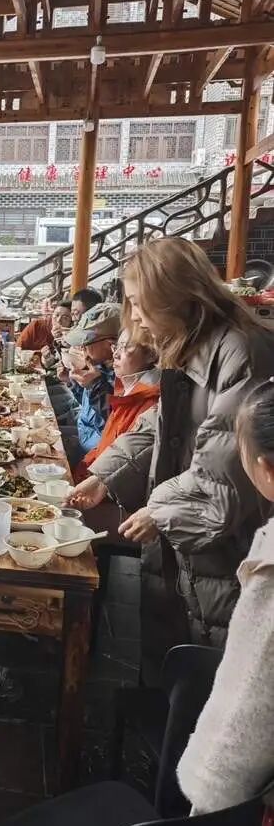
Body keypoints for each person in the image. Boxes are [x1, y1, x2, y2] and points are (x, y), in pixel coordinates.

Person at [69, 237, 274, 684]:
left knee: (211, 670)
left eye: (139, 302)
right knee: (174, 652)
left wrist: (159, 510)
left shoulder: (241, 354)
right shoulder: (192, 342)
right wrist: (106, 475)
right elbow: (159, 425)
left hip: (224, 544)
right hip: (186, 532)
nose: (136, 315)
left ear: (173, 295)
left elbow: (225, 475)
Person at [177, 383, 274, 818]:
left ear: (265, 469)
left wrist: (207, 808)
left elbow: (249, 702)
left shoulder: (271, 572)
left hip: (240, 809)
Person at [75, 328, 160, 480]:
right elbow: (105, 445)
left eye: (125, 347)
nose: (115, 354)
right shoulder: (125, 390)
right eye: (116, 347)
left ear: (151, 355)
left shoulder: (150, 404)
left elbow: (122, 471)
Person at [61, 303, 120, 464]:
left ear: (111, 344)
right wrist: (72, 382)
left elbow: (114, 423)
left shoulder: (122, 377)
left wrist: (95, 386)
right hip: (84, 437)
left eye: (87, 341)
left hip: (97, 455)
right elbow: (88, 408)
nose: (82, 347)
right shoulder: (99, 366)